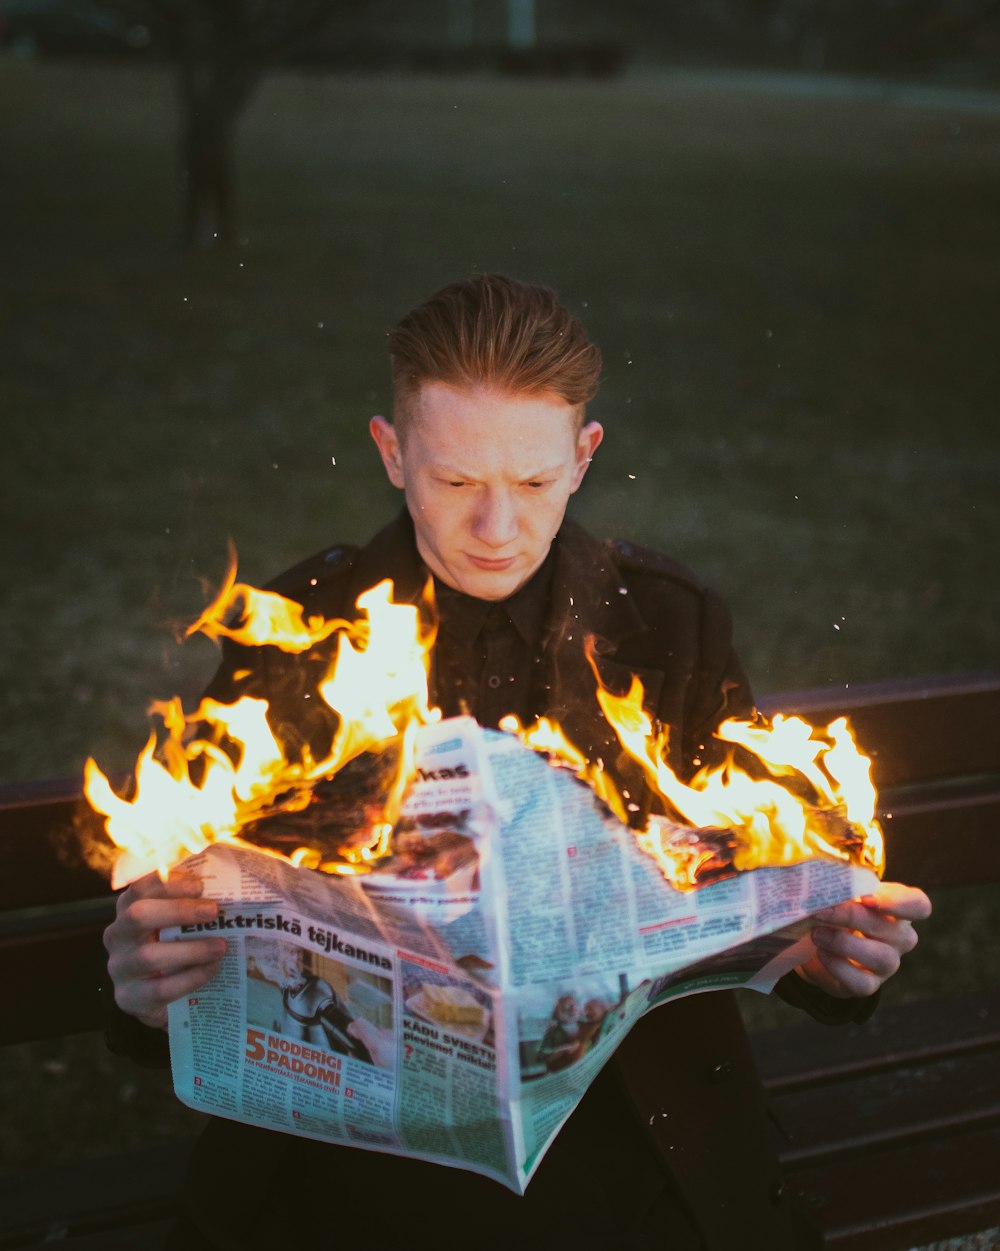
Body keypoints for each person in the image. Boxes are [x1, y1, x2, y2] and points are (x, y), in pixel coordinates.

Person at [103, 274, 931, 1250]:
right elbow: (177, 911)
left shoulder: (666, 625)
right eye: (456, 482)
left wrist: (833, 963)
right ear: (391, 454)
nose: (497, 529)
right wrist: (142, 980)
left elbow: (755, 882)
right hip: (368, 1157)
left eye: (533, 483)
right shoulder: (298, 635)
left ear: (583, 458)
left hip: (626, 1124)